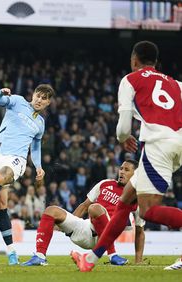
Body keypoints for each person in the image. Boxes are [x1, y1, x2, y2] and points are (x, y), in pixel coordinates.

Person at [71, 41, 182, 272]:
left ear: (134, 60)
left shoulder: (130, 80)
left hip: (157, 144)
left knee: (148, 210)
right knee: (125, 201)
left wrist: (123, 137)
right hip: (177, 143)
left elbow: (123, 127)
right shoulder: (177, 84)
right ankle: (90, 260)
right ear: (156, 62)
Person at [0, 84, 55, 265]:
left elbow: (35, 147)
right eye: (38, 95)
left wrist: (38, 166)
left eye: (44, 98)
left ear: (48, 103)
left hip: (17, 160)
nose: (39, 100)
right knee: (1, 205)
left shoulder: (40, 123)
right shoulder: (18, 101)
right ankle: (12, 252)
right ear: (33, 94)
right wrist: (0, 92)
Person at [22, 160, 144, 266]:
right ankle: (40, 256)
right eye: (121, 168)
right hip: (86, 228)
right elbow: (85, 206)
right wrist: (67, 224)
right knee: (51, 210)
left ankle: (113, 255)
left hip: (105, 235)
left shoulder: (137, 198)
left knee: (95, 208)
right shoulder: (105, 183)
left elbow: (140, 230)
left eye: (126, 170)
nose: (121, 171)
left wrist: (138, 260)